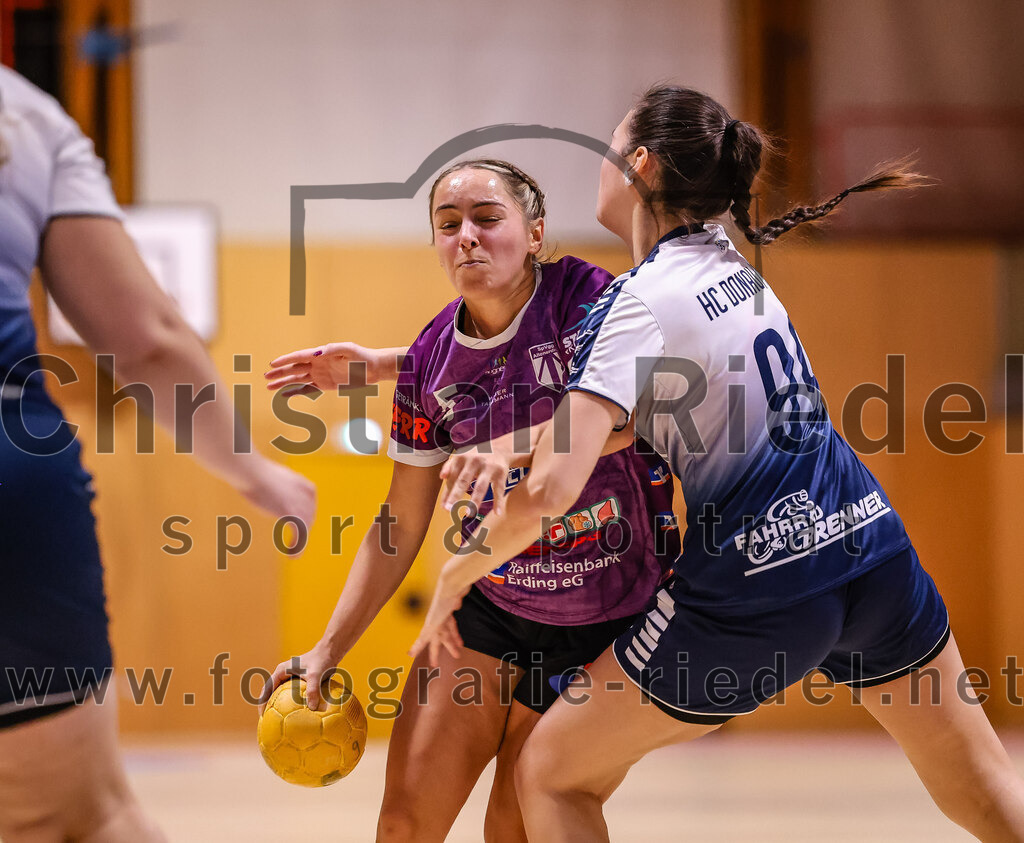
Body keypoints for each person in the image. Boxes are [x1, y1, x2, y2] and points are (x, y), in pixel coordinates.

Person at [409, 86, 1024, 842]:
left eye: (609, 148)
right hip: (870, 551)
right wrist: (503, 444)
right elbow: (634, 418)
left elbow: (547, 494)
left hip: (762, 587)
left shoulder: (635, 301)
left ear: (637, 163)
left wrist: (453, 577)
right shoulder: (729, 262)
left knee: (552, 772)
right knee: (988, 792)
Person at [261, 158, 678, 842]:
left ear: (535, 233)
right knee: (402, 823)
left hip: (605, 616)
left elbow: (632, 418)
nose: (468, 238)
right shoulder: (428, 362)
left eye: (488, 219)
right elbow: (398, 521)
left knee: (513, 826)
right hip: (491, 604)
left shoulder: (586, 298)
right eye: (448, 225)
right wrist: (327, 648)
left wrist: (510, 443)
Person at [0, 66, 316, 842]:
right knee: (77, 817)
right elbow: (144, 339)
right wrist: (256, 471)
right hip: (13, 483)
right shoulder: (25, 116)